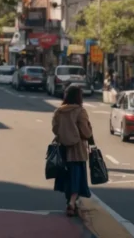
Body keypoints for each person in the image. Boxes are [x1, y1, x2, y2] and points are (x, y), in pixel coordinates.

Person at [51, 85, 94, 217]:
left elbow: (55, 129)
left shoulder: (59, 111)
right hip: (77, 149)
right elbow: (85, 131)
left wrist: (63, 136)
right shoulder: (80, 111)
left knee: (66, 175)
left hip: (63, 148)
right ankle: (72, 202)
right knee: (77, 176)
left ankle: (69, 201)